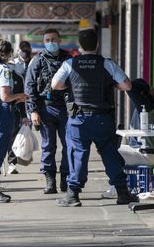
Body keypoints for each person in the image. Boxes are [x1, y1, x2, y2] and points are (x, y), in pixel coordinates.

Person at [51, 29, 138, 207]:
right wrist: (113, 85)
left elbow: (55, 84)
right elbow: (127, 85)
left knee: (77, 154)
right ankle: (122, 192)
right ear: (97, 45)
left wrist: (70, 85)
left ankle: (73, 195)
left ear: (80, 46)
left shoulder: (70, 63)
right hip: (101, 119)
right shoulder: (107, 64)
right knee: (109, 153)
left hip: (78, 119)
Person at [0, 39, 29, 203]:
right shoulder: (4, 71)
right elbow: (6, 96)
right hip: (1, 112)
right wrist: (20, 96)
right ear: (8, 53)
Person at [25, 28, 71, 194]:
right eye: (47, 40)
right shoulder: (37, 60)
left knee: (69, 145)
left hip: (66, 109)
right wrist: (33, 111)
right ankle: (50, 180)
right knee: (48, 146)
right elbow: (29, 87)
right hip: (46, 108)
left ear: (59, 40)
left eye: (53, 39)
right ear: (44, 42)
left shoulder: (68, 59)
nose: (51, 42)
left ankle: (66, 178)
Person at [6, 41, 32, 174]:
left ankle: (23, 155)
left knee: (25, 133)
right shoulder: (12, 66)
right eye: (22, 49)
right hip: (16, 103)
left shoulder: (33, 63)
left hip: (30, 102)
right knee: (14, 134)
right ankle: (12, 161)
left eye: (27, 49)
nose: (25, 52)